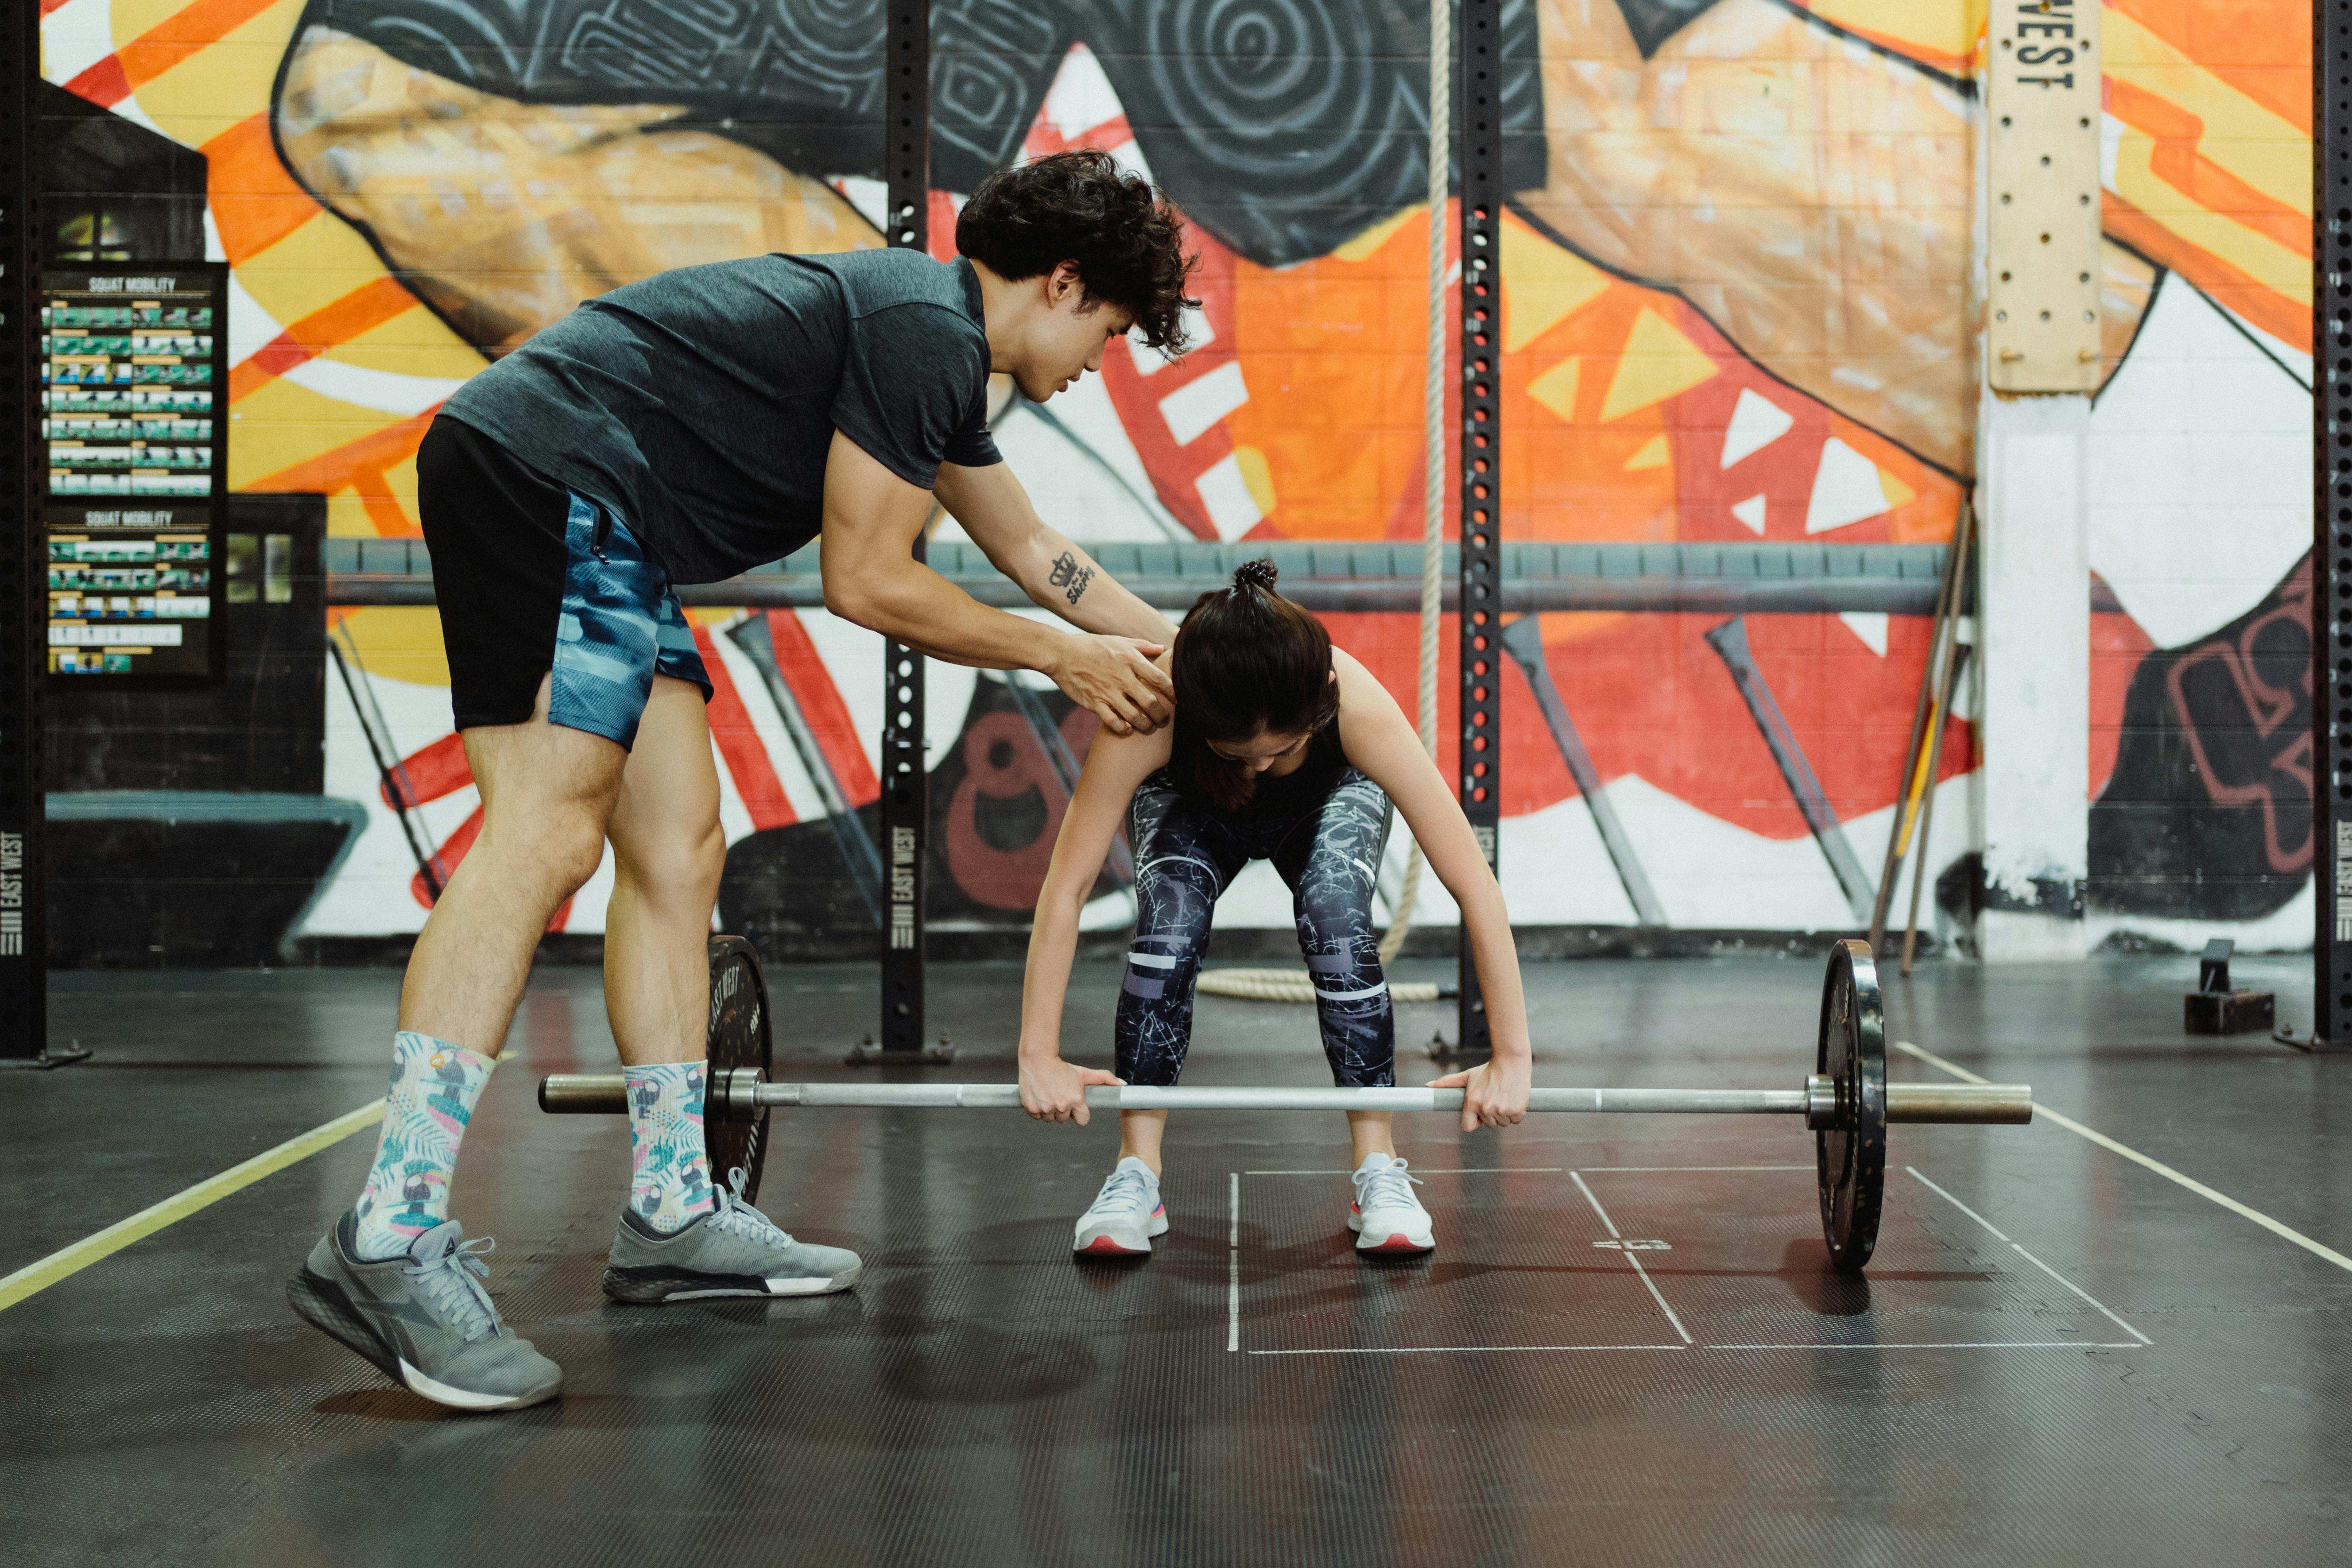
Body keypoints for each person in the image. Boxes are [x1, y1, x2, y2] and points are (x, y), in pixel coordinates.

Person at [287, 151, 1194, 1410]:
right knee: (547, 835)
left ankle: (670, 1208)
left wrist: (1184, 653)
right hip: (551, 479)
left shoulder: (934, 353)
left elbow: (1034, 548)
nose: (1104, 355)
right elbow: (868, 580)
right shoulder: (924, 329)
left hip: (608, 518)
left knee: (679, 847)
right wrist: (1066, 658)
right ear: (1062, 280)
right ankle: (390, 1230)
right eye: (1111, 323)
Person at [1015, 561, 1534, 1258]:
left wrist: (1512, 1056)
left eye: (1279, 750)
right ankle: (1137, 1172)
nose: (1258, 768)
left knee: (1336, 915)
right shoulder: (1155, 705)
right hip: (1197, 810)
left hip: (1322, 807)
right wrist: (1038, 1053)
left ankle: (1376, 1166)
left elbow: (1475, 884)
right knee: (1168, 927)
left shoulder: (1356, 703)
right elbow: (1067, 887)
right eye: (1238, 753)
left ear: (1318, 708)